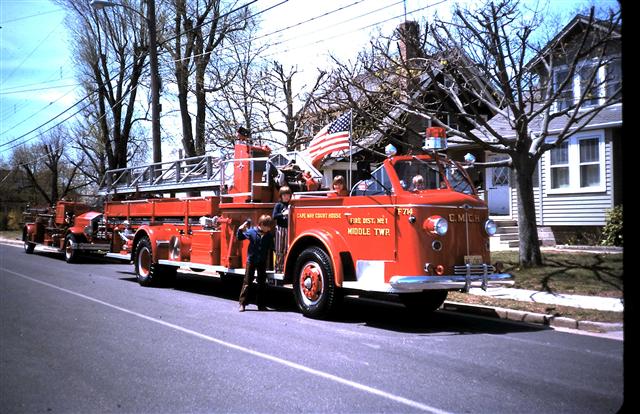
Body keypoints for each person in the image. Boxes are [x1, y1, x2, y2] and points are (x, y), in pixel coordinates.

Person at [237, 214, 275, 312]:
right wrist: (240, 230)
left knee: (262, 283)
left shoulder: (268, 235)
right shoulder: (252, 232)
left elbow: (273, 248)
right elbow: (240, 237)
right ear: (261, 225)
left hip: (262, 261)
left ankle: (261, 305)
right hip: (252, 260)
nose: (269, 228)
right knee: (247, 282)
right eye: (268, 226)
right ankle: (242, 303)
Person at [272, 186, 292, 272]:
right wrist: (283, 213)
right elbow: (274, 216)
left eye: (288, 194)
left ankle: (285, 268)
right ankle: (278, 268)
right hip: (280, 229)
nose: (286, 196)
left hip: (288, 228)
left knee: (286, 248)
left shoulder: (291, 205)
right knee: (279, 248)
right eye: (284, 195)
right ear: (281, 195)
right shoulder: (278, 205)